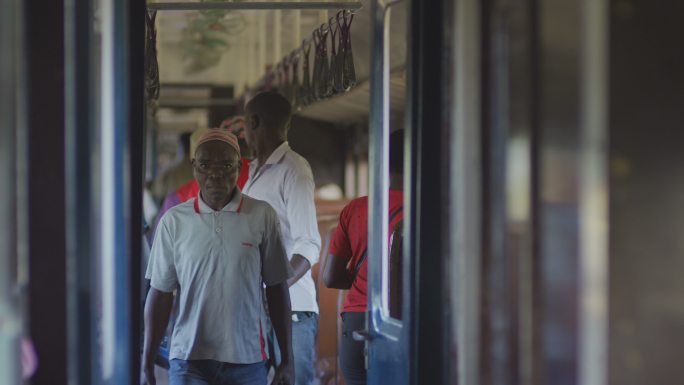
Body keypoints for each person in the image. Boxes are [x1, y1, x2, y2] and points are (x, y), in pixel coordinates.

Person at [142, 129, 295, 385]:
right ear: (194, 167)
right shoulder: (174, 221)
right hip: (188, 359)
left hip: (248, 359)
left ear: (239, 166)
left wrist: (287, 360)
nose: (215, 173)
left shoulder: (262, 216)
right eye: (205, 164)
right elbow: (160, 294)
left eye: (226, 164)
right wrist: (146, 363)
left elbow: (277, 288)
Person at [241, 92, 322, 385]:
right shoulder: (255, 172)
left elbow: (309, 244)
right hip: (259, 308)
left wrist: (274, 290)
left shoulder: (294, 169)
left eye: (245, 125)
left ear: (254, 122)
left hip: (293, 310)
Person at [322, 129, 405, 385]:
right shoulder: (425, 207)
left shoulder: (355, 209)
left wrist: (365, 279)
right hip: (400, 320)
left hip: (357, 321)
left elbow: (330, 277)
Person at [151, 132, 195, 203]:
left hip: (172, 209)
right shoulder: (202, 170)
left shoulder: (168, 169)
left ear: (180, 146)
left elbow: (157, 191)